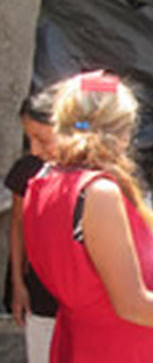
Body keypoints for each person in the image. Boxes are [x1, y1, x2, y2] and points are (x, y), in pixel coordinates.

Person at [23, 71, 153, 363]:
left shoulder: (41, 183)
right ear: (122, 134)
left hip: (77, 339)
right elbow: (132, 305)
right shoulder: (98, 193)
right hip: (125, 346)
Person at [4, 89, 58, 363]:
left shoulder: (94, 174)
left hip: (82, 297)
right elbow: (17, 225)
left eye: (42, 138)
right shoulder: (28, 169)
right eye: (29, 139)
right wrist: (17, 283)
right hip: (41, 292)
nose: (35, 149)